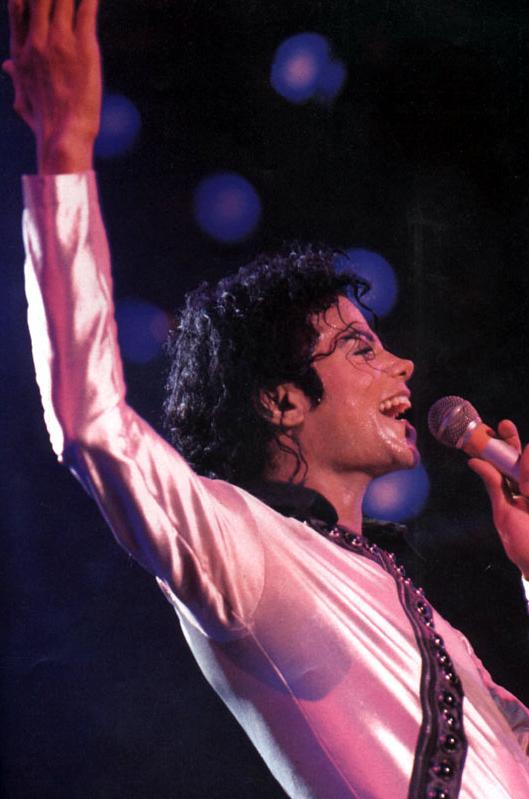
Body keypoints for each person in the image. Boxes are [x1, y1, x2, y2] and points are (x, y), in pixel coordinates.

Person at [5, 1, 529, 796]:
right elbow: (91, 424)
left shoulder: (416, 608)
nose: (403, 364)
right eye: (359, 347)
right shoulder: (245, 554)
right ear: (282, 402)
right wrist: (63, 151)